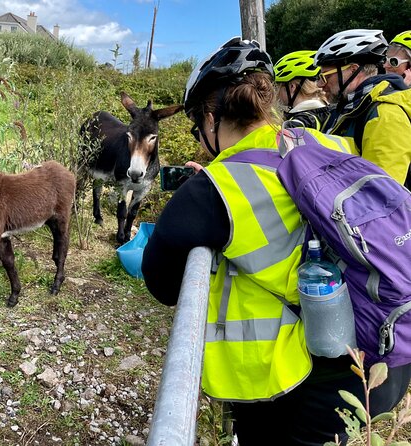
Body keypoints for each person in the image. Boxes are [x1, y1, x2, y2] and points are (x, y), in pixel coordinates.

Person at [142, 37, 411, 445]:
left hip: (308, 384)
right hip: (386, 356)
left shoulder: (212, 191)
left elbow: (159, 283)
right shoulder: (326, 142)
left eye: (197, 128)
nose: (199, 140)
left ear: (211, 118)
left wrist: (203, 195)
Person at [314, 28, 411, 187]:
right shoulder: (347, 108)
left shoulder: (385, 114)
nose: (319, 84)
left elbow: (382, 194)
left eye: (326, 76)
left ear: (352, 69)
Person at [274, 50, 330, 130]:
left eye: (278, 87)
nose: (276, 93)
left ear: (292, 87)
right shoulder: (330, 113)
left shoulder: (298, 124)